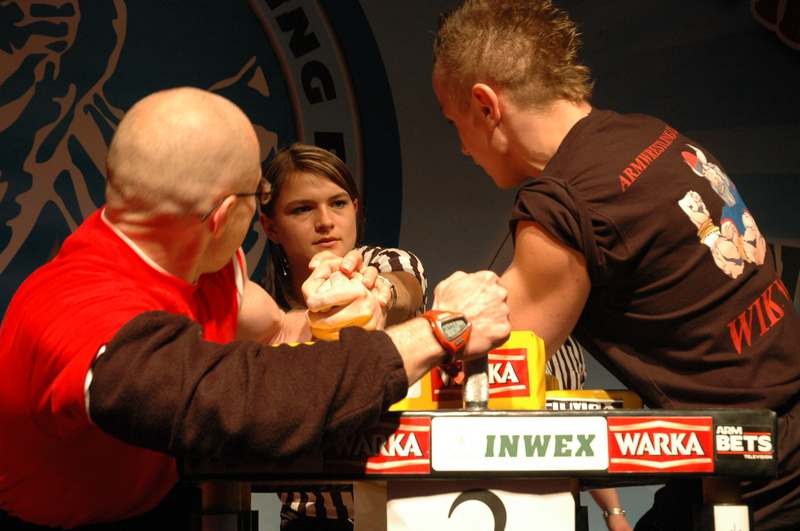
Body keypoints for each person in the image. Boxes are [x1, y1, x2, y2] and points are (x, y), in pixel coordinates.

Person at [0, 86, 511, 530]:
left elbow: (276, 334)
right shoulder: (79, 314)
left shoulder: (203, 264)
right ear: (225, 215)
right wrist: (442, 329)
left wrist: (342, 308)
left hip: (158, 507)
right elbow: (245, 402)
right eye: (258, 194)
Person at [432, 1, 800, 530]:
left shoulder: (566, 202)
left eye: (454, 123)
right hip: (759, 441)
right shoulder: (649, 133)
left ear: (486, 106)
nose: (462, 148)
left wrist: (434, 318)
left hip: (761, 471)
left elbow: (496, 363)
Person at [258, 143, 427, 530]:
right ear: (270, 227)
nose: (325, 221)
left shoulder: (386, 263)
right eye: (302, 209)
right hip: (307, 518)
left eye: (337, 204)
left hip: (399, 511)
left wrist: (380, 294)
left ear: (356, 208)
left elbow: (406, 288)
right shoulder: (263, 308)